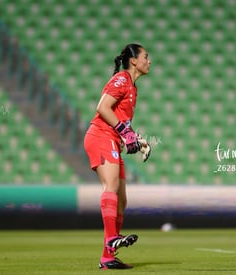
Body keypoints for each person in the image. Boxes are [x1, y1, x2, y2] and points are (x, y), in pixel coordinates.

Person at [83, 43, 151, 269]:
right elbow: (102, 108)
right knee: (110, 185)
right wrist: (125, 132)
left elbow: (122, 121)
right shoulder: (122, 80)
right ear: (134, 61)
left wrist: (136, 139)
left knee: (121, 202)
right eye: (146, 57)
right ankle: (112, 238)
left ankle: (107, 257)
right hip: (100, 136)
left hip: (112, 140)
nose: (149, 61)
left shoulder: (133, 88)